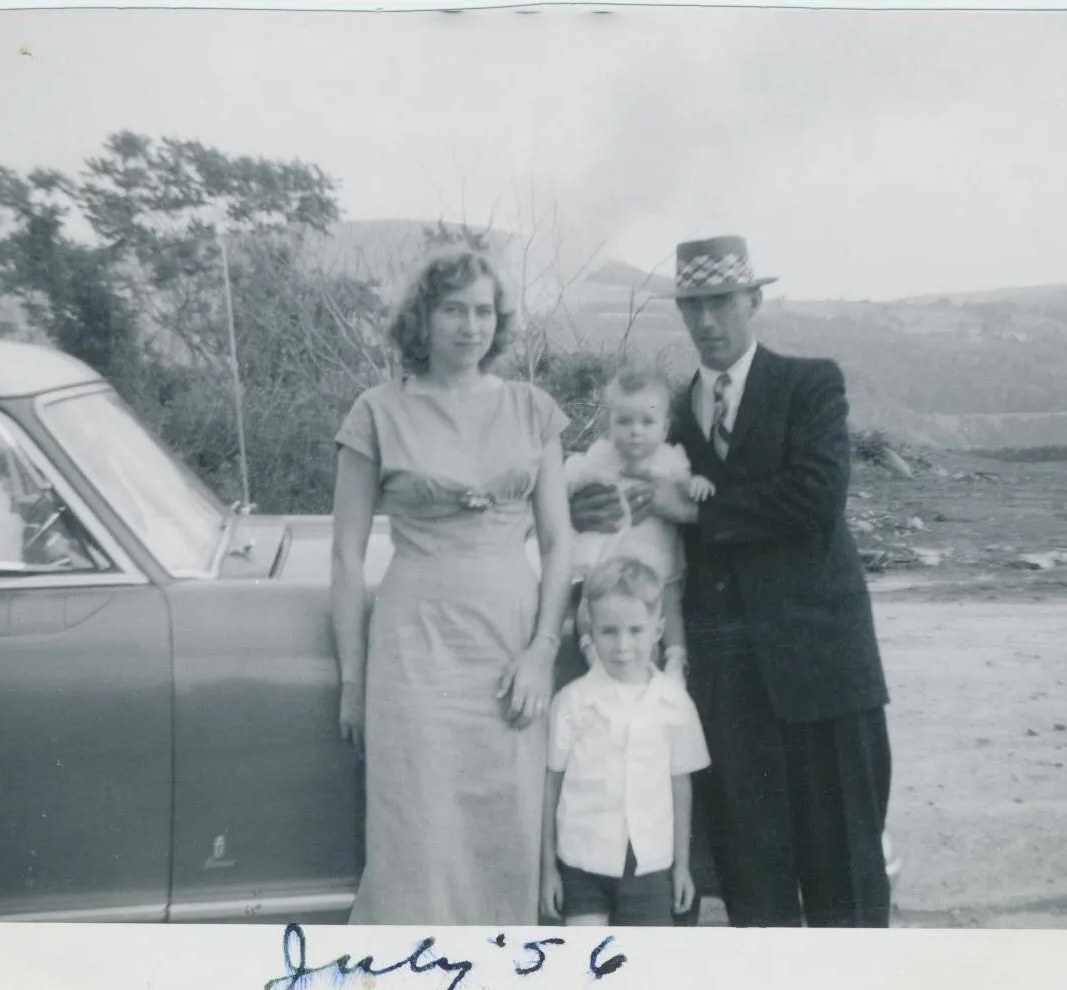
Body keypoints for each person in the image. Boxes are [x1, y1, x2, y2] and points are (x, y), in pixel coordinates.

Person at [569, 235, 892, 928]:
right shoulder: (671, 416)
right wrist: (587, 508)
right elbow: (627, 501)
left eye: (721, 302)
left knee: (847, 884)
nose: (707, 321)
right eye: (693, 306)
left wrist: (696, 511)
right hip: (730, 688)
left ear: (754, 301)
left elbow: (816, 497)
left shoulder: (811, 384)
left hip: (823, 674)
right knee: (755, 886)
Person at [331, 246, 573, 925]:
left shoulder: (532, 409)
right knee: (417, 838)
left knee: (509, 829)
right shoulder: (376, 412)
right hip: (416, 654)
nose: (471, 327)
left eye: (484, 312)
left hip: (509, 649)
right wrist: (354, 680)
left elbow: (558, 543)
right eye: (454, 310)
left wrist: (542, 652)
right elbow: (347, 556)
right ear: (423, 318)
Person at [540, 556, 711, 926]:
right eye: (609, 631)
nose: (622, 646)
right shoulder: (572, 701)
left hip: (649, 865)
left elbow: (681, 789)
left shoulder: (674, 703)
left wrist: (681, 866)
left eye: (635, 630)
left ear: (658, 630)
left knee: (643, 973)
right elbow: (551, 785)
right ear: (590, 632)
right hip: (582, 861)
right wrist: (548, 870)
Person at [562, 364, 714, 681]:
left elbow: (685, 482)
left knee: (668, 600)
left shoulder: (669, 458)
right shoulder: (601, 456)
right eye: (624, 422)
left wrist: (695, 485)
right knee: (594, 594)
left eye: (647, 422)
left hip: (656, 551)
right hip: (612, 551)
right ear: (609, 425)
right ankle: (590, 647)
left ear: (664, 427)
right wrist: (564, 499)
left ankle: (675, 658)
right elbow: (570, 477)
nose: (635, 432)